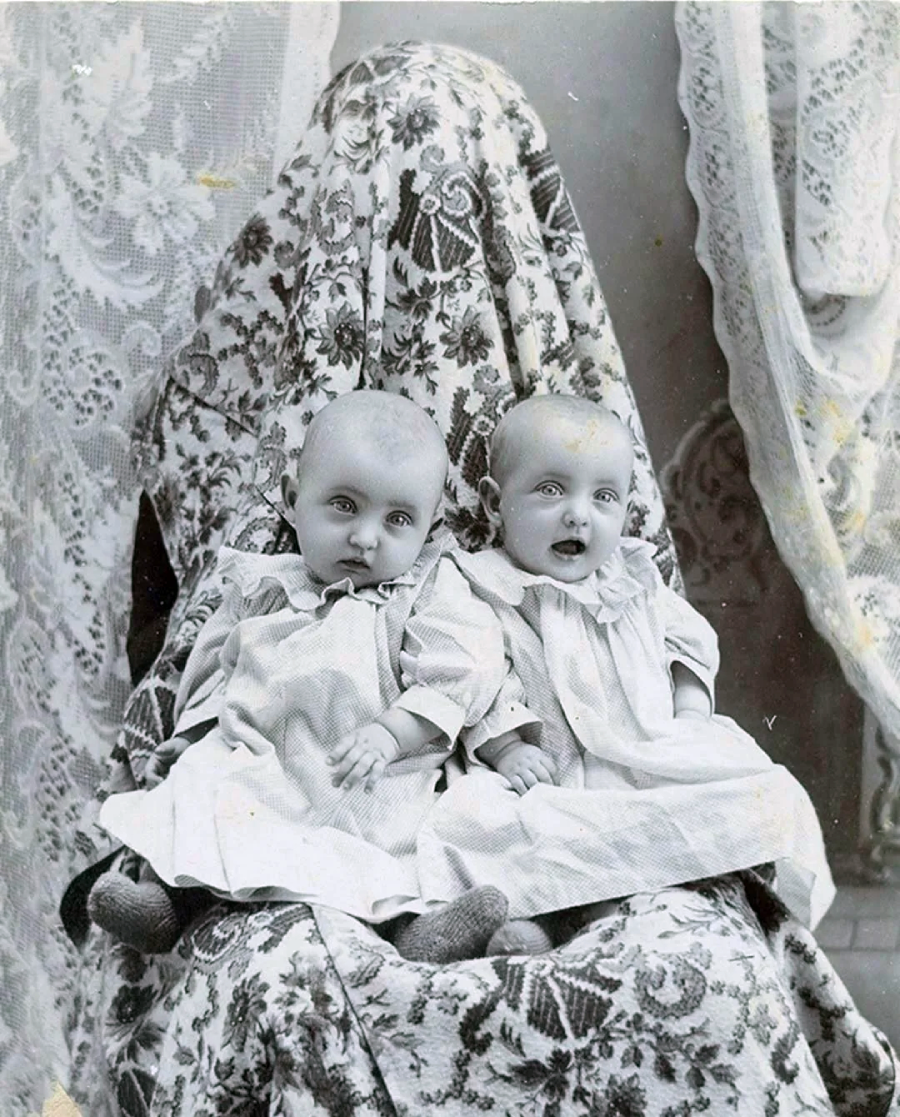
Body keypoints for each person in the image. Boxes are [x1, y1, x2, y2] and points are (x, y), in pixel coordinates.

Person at [88, 390, 524, 962]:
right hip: (258, 759)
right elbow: (216, 664)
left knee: (397, 847)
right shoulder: (262, 584)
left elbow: (465, 666)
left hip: (364, 775)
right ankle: (166, 903)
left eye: (397, 520)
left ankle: (414, 932)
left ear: (428, 528)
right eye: (344, 506)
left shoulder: (425, 591)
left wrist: (394, 732)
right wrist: (191, 734)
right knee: (197, 792)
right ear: (294, 500)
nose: (366, 538)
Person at [416, 394, 835, 953]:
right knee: (482, 824)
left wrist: (690, 713)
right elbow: (470, 671)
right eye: (550, 490)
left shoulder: (632, 577)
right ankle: (537, 928)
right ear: (495, 503)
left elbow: (687, 639)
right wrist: (505, 748)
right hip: (546, 778)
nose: (578, 514)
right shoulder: (481, 585)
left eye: (603, 496)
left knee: (767, 793)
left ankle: (626, 898)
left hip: (641, 763)